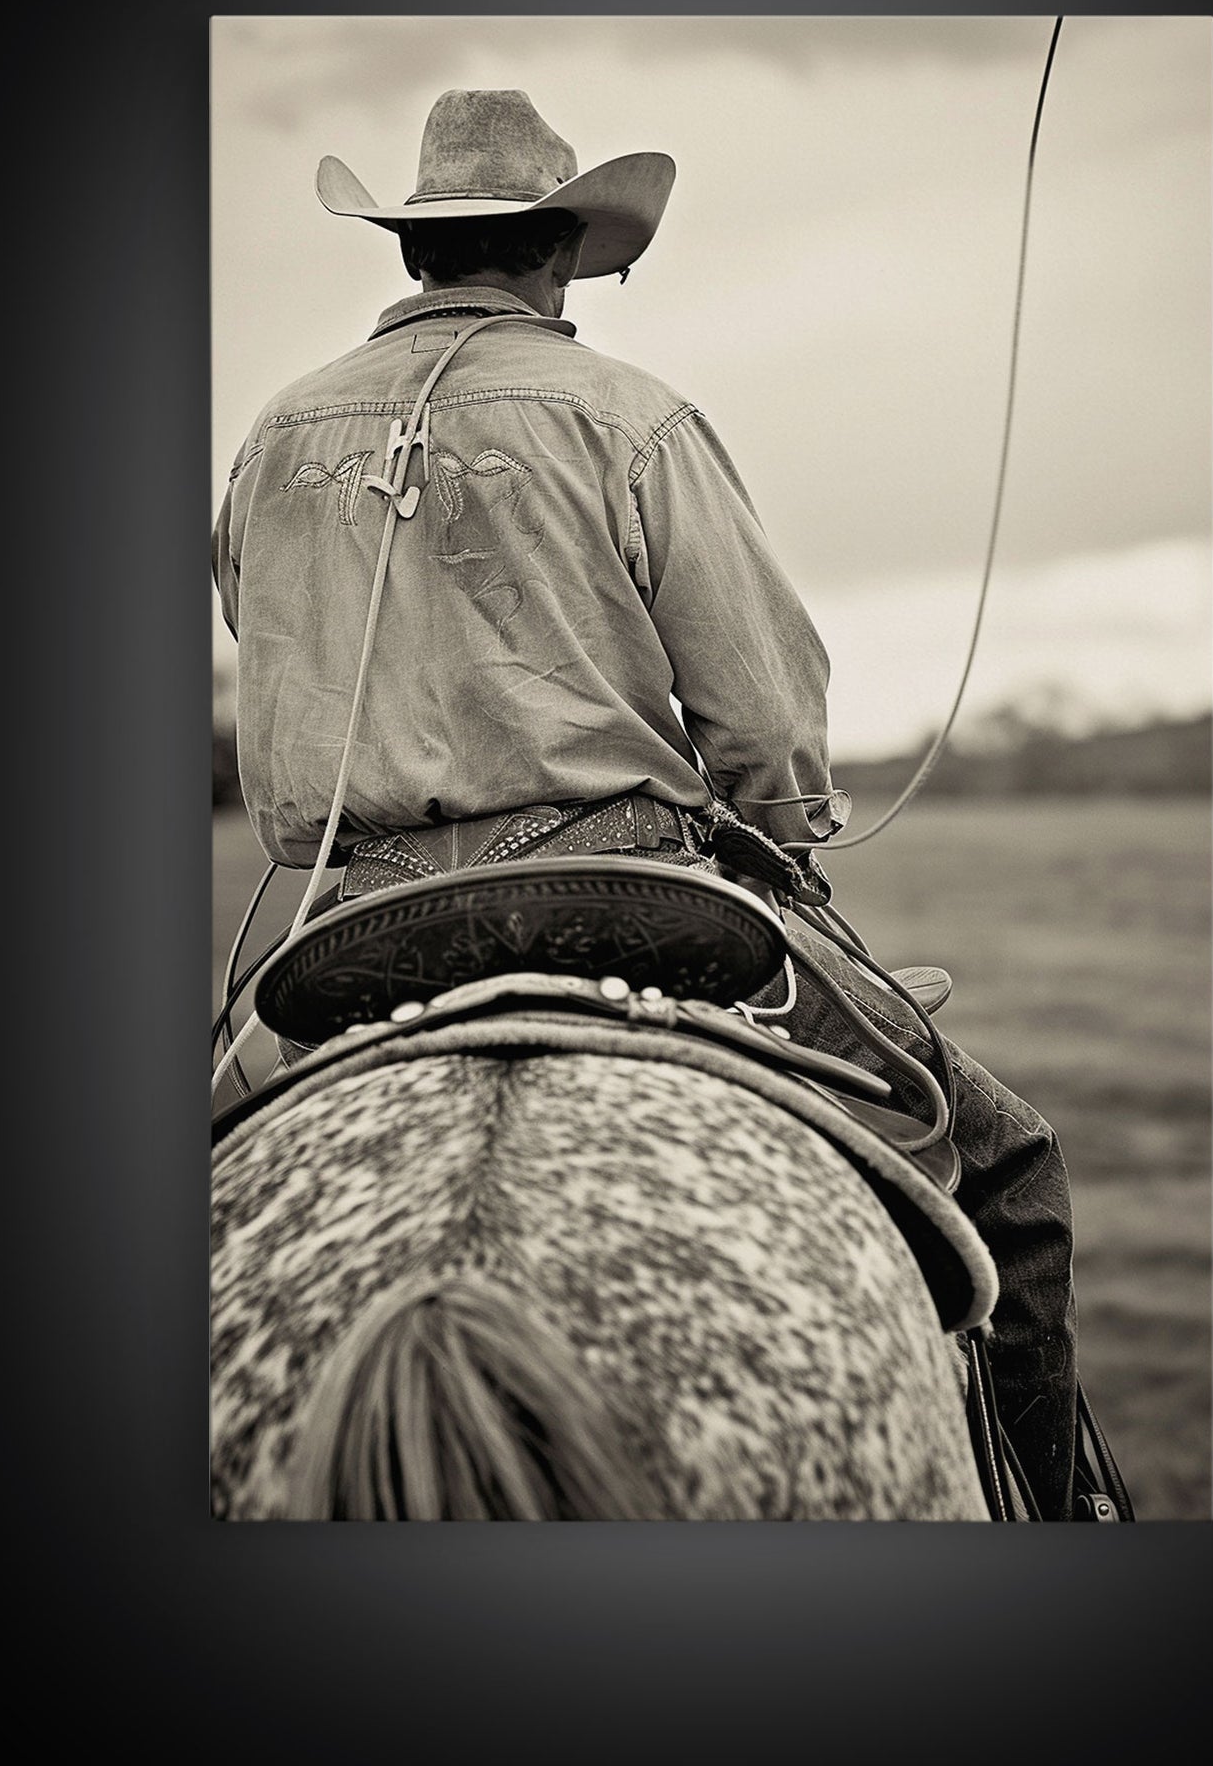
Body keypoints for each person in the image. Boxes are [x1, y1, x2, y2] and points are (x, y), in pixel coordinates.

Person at [212, 88, 1082, 1517]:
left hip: (351, 907)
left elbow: (265, 640)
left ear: (413, 253)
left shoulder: (275, 434)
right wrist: (785, 835)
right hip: (624, 871)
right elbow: (759, 697)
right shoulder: (633, 414)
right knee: (1013, 1169)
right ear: (559, 250)